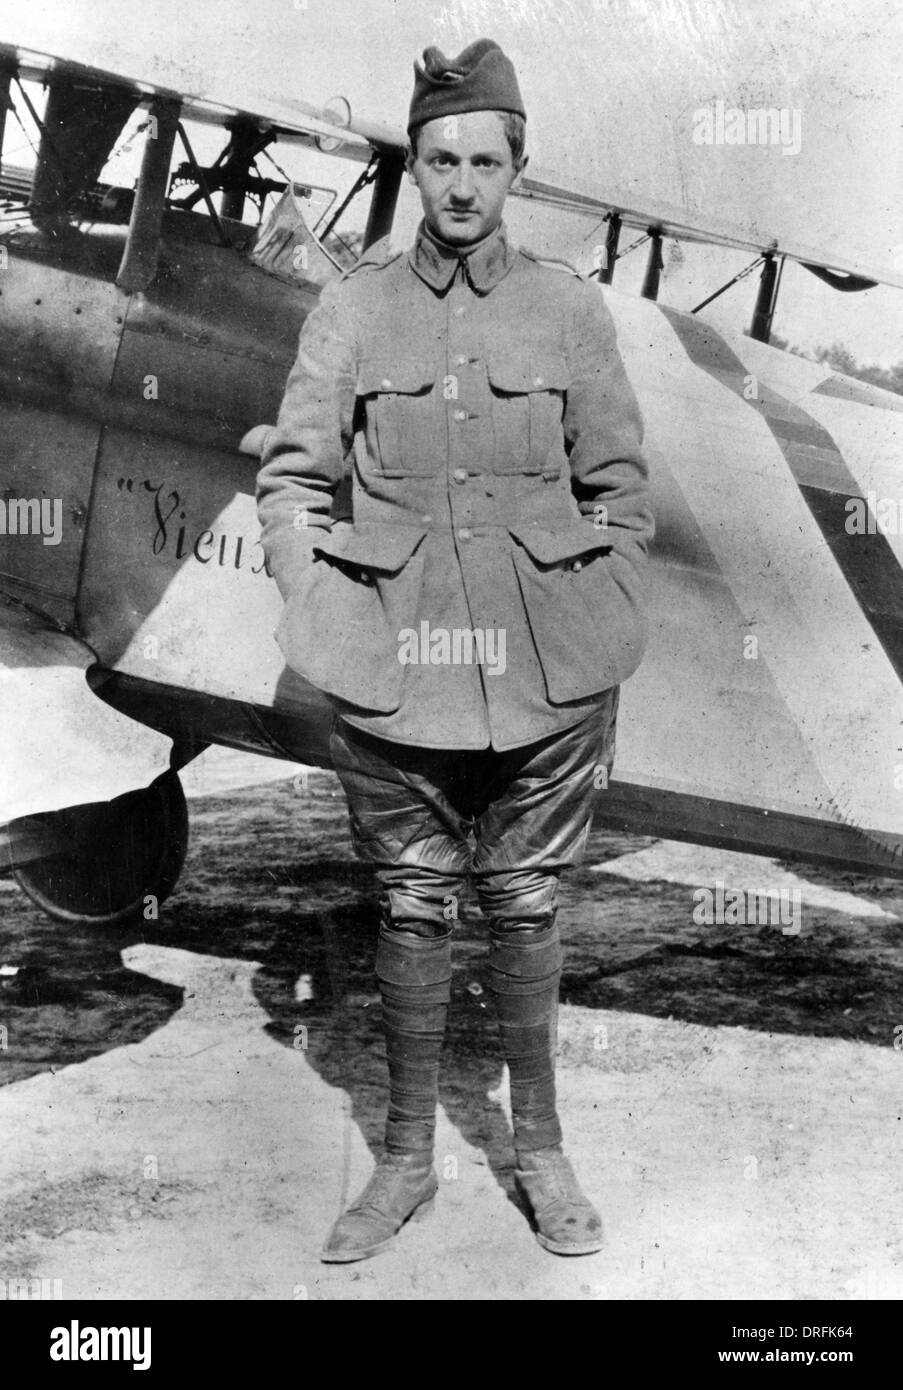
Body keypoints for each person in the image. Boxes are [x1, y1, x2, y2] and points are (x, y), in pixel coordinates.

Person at [256, 37, 654, 1262]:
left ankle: (540, 1151)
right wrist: (320, 614)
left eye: (486, 159)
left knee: (528, 907)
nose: (464, 183)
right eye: (440, 160)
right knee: (414, 908)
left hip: (544, 671)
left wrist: (604, 614)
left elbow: (622, 491)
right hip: (394, 666)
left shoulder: (567, 309)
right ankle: (409, 1160)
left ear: (516, 166)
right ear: (414, 167)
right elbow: (293, 479)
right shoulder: (353, 307)